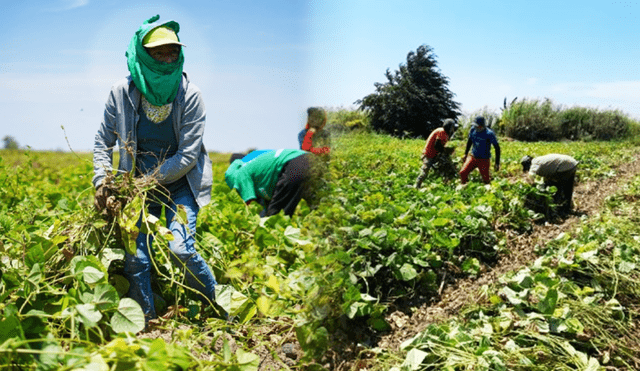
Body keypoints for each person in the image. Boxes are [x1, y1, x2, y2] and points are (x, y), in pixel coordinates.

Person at [92, 15, 218, 325]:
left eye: (172, 52)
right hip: (135, 186)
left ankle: (215, 305)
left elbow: (188, 155)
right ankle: (144, 319)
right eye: (157, 53)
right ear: (142, 55)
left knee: (181, 250)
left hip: (180, 184)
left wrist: (146, 182)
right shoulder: (121, 92)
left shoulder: (191, 96)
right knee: (137, 257)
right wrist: (102, 180)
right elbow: (101, 142)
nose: (166, 59)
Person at [225, 149, 313, 217]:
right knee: (317, 206)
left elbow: (248, 203)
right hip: (310, 160)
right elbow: (270, 199)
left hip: (294, 164)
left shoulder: (240, 174)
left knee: (276, 217)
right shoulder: (254, 171)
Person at [415, 118, 458, 188]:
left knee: (445, 166)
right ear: (449, 127)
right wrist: (446, 150)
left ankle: (445, 182)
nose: (453, 129)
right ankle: (417, 185)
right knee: (425, 170)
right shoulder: (442, 132)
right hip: (428, 154)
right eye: (452, 127)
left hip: (435, 154)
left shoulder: (445, 133)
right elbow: (437, 146)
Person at [459, 116, 501, 184]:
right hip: (473, 157)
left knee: (486, 180)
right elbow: (470, 141)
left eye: (478, 126)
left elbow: (497, 148)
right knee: (463, 172)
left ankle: (487, 191)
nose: (476, 128)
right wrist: (465, 153)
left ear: (483, 126)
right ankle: (465, 187)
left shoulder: (489, 134)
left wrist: (497, 163)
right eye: (475, 126)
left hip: (484, 159)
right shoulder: (473, 130)